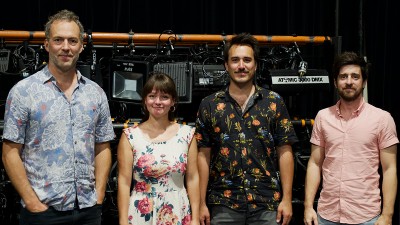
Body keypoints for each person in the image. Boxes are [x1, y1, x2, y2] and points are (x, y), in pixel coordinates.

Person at [1, 9, 115, 225]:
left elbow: (103, 147)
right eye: (58, 40)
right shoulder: (23, 92)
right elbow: (10, 153)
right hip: (42, 213)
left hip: (88, 210)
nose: (65, 47)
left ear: (81, 46)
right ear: (46, 44)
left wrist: (99, 194)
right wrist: (32, 202)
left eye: (73, 41)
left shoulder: (95, 93)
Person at [195, 32, 299, 225]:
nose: (241, 66)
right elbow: (203, 156)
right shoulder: (209, 105)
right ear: (226, 65)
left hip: (267, 204)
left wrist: (287, 199)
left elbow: (285, 151)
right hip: (223, 204)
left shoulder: (273, 102)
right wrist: (200, 203)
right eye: (235, 60)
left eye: (247, 60)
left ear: (256, 64)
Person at [303, 51, 398, 225]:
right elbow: (315, 163)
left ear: (364, 82)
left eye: (355, 77)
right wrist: (308, 206)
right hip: (326, 216)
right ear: (335, 82)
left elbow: (389, 169)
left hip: (366, 217)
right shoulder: (323, 117)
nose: (348, 82)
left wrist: (387, 215)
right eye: (343, 77)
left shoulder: (382, 119)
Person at [117, 72, 200, 225]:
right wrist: (122, 220)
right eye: (152, 96)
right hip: (141, 213)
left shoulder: (187, 134)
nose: (158, 102)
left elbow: (193, 179)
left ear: (173, 101)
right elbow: (123, 182)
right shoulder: (130, 136)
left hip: (177, 210)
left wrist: (195, 218)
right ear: (144, 100)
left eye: (164, 97)